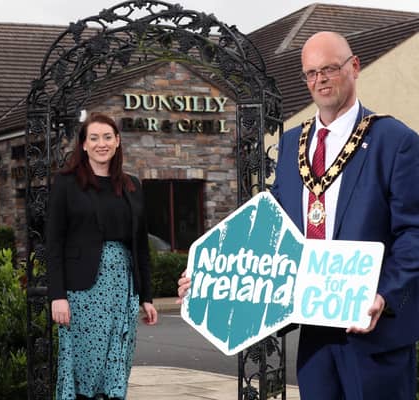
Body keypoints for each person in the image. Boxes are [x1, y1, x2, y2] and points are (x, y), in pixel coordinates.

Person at [178, 31, 419, 399]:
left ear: (354, 67)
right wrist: (207, 276)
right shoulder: (293, 143)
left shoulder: (394, 140)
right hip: (314, 330)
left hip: (373, 329)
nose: (319, 80)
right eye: (310, 73)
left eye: (329, 69)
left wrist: (384, 296)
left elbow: (413, 233)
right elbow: (270, 228)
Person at [46, 112, 158, 400]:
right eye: (93, 138)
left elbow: (141, 247)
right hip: (82, 291)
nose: (101, 144)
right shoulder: (66, 183)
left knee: (117, 362)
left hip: (124, 288)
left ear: (118, 141)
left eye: (107, 137)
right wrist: (57, 295)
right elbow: (54, 243)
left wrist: (146, 297)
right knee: (84, 365)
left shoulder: (133, 185)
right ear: (83, 144)